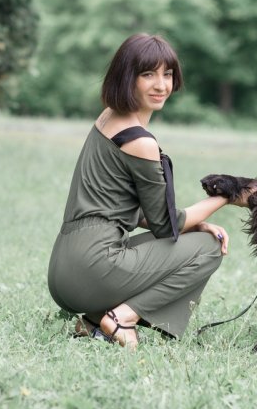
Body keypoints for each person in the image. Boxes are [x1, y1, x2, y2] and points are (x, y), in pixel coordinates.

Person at [47, 33, 230, 348]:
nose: (161, 85)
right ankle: (120, 319)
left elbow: (141, 212)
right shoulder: (140, 141)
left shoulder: (107, 118)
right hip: (93, 267)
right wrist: (225, 197)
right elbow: (164, 223)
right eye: (148, 74)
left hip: (63, 268)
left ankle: (92, 320)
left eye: (167, 74)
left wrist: (195, 223)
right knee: (209, 247)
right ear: (127, 78)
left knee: (195, 235)